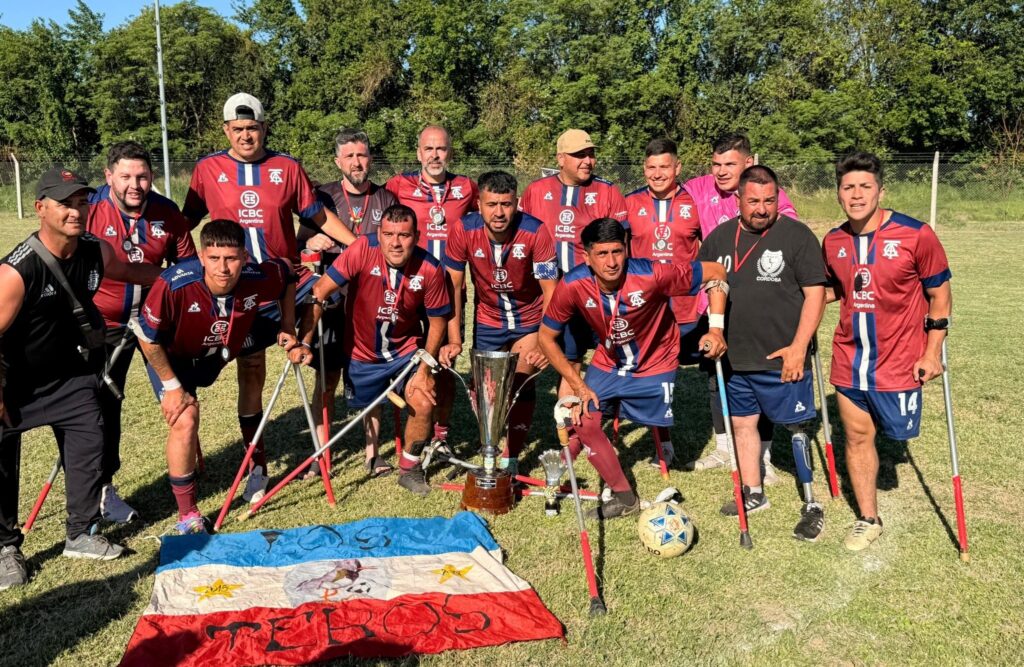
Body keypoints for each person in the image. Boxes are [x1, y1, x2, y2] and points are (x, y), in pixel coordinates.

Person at [182, 93, 356, 501]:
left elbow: (315, 215)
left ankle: (319, 434)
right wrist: (186, 270)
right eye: (238, 129)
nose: (246, 135)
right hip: (234, 287)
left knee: (322, 304)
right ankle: (255, 462)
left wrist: (358, 247)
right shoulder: (208, 169)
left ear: (264, 128)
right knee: (247, 370)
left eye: (253, 128)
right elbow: (184, 223)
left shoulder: (286, 167)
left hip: (284, 282)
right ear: (226, 130)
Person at [0, 167, 164, 589]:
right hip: (14, 383)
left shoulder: (94, 249)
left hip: (69, 376)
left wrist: (181, 277)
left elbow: (132, 274)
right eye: (64, 204)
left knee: (91, 439)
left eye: (81, 202)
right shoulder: (17, 272)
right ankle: (4, 548)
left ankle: (81, 533)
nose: (75, 211)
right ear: (40, 208)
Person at [538, 218, 727, 520]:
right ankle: (625, 497)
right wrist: (578, 385)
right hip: (608, 361)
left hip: (656, 362)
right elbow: (546, 338)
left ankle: (656, 446)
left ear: (626, 249)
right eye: (602, 254)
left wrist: (715, 330)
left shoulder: (652, 273)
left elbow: (717, 273)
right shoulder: (573, 284)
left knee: (635, 419)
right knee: (586, 420)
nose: (612, 262)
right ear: (586, 256)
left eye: (617, 252)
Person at [131, 220, 297, 535]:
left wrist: (287, 325)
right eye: (215, 259)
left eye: (231, 258)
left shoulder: (256, 276)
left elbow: (288, 272)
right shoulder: (173, 283)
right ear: (202, 257)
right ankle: (187, 515)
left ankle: (257, 467)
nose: (223, 268)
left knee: (252, 367)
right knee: (185, 417)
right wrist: (171, 387)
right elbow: (147, 337)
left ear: (244, 258)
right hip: (175, 356)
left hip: (223, 343)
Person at [822, 152, 952, 551]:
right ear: (839, 193)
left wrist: (932, 353)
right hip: (850, 357)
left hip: (898, 360)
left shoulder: (917, 235)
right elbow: (832, 290)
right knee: (858, 437)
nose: (856, 195)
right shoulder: (833, 240)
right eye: (848, 188)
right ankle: (868, 517)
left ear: (881, 190)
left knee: (895, 434)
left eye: (865, 187)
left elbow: (940, 298)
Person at [698, 165, 827, 541]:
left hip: (783, 356)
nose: (761, 208)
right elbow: (710, 287)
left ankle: (811, 503)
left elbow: (815, 294)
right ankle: (754, 493)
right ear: (737, 199)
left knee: (797, 429)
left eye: (769, 200)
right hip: (735, 358)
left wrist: (799, 348)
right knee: (742, 425)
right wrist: (715, 332)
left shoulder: (797, 236)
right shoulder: (719, 238)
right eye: (753, 200)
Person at [292, 205, 453, 497]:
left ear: (416, 236)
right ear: (378, 234)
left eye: (404, 235)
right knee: (345, 396)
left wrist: (425, 368)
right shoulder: (362, 249)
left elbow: (438, 321)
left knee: (424, 400)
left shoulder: (430, 267)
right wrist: (303, 341)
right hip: (360, 353)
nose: (395, 242)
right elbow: (319, 292)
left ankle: (409, 467)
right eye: (389, 234)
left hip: (406, 353)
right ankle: (327, 456)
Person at [88, 141, 197, 523]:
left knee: (181, 401)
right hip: (104, 325)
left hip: (155, 324)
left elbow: (188, 268)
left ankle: (188, 507)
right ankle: (103, 491)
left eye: (143, 176)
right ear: (109, 177)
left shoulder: (167, 211)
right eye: (126, 177)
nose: (135, 184)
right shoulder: (89, 209)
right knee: (101, 411)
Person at [684, 132, 800, 483]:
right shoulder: (696, 188)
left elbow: (789, 231)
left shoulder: (765, 195)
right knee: (716, 369)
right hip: (715, 298)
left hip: (759, 301)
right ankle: (724, 448)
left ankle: (762, 454)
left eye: (729, 164)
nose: (720, 171)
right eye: (716, 164)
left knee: (759, 374)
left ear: (749, 163)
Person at [443, 171, 558, 474]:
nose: (499, 212)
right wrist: (455, 338)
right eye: (491, 204)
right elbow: (454, 287)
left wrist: (547, 341)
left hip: (530, 320)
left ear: (516, 203)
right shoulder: (463, 230)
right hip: (488, 321)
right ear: (478, 204)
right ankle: (490, 450)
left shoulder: (536, 232)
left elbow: (551, 292)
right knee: (489, 393)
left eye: (506, 204)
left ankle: (513, 456)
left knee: (519, 384)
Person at [298, 128, 398, 476]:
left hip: (371, 304)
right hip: (330, 303)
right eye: (350, 156)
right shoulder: (321, 198)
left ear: (370, 158)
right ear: (338, 161)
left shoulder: (386, 199)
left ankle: (373, 454)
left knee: (372, 378)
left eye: (362, 155)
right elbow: (300, 245)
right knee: (326, 380)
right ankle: (319, 453)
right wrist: (313, 244)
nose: (357, 162)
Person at [386, 125, 476, 453]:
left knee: (446, 361)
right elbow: (371, 211)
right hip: (411, 291)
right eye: (428, 149)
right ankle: (411, 426)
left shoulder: (467, 187)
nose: (435, 155)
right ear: (418, 153)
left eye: (441, 149)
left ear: (450, 152)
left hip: (451, 291)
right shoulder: (398, 185)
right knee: (412, 358)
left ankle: (441, 434)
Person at [520, 129, 629, 402]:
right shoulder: (536, 190)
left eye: (591, 154)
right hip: (547, 293)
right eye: (579, 155)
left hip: (591, 291)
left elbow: (621, 245)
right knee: (534, 363)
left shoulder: (607, 191)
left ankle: (572, 434)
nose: (587, 161)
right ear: (560, 158)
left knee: (575, 359)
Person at [625, 138, 702, 468]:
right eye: (651, 168)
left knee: (676, 373)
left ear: (677, 168)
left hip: (685, 306)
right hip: (645, 307)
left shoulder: (695, 202)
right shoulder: (629, 202)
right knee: (657, 374)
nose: (657, 174)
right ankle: (664, 442)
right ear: (644, 169)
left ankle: (724, 440)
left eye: (664, 167)